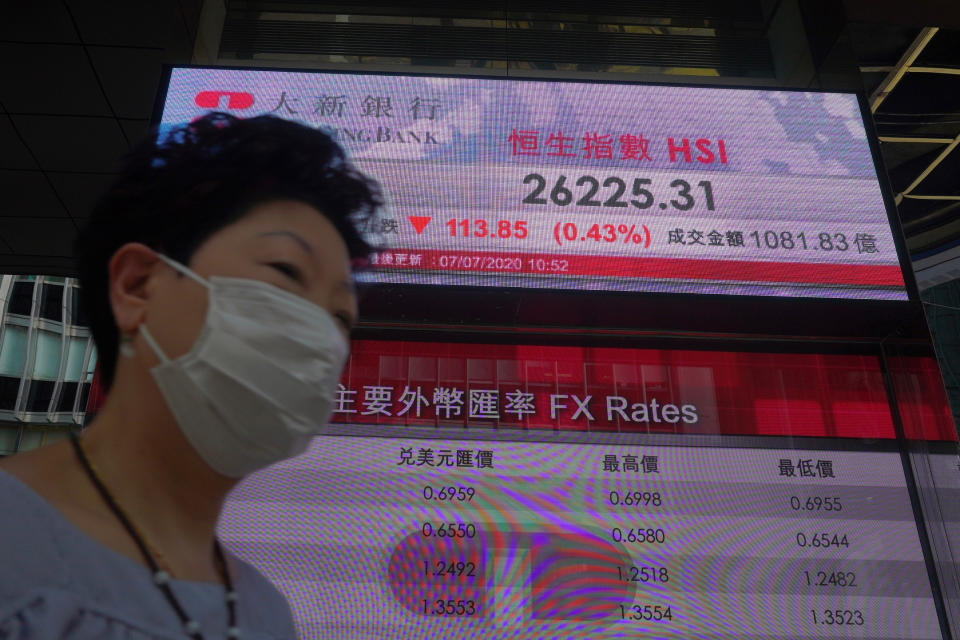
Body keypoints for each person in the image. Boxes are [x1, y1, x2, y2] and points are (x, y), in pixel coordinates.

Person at [0, 112, 382, 638]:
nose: (320, 335)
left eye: (341, 318)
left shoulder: (267, 615)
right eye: (286, 272)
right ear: (137, 286)